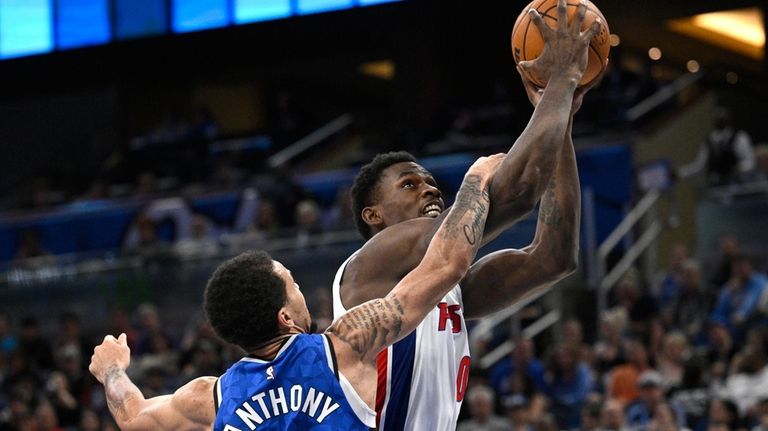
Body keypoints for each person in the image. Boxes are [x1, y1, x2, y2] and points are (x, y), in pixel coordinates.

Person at [332, 1, 603, 428]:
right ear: (373, 216)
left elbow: (554, 257)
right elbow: (517, 194)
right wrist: (562, 81)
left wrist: (561, 117)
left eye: (428, 181)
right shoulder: (373, 261)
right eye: (408, 184)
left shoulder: (449, 288)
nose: (428, 188)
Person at [88, 154, 501, 430]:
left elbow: (133, 414)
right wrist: (477, 178)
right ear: (285, 317)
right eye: (294, 285)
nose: (304, 293)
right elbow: (447, 262)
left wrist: (112, 370)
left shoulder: (211, 396)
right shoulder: (342, 347)